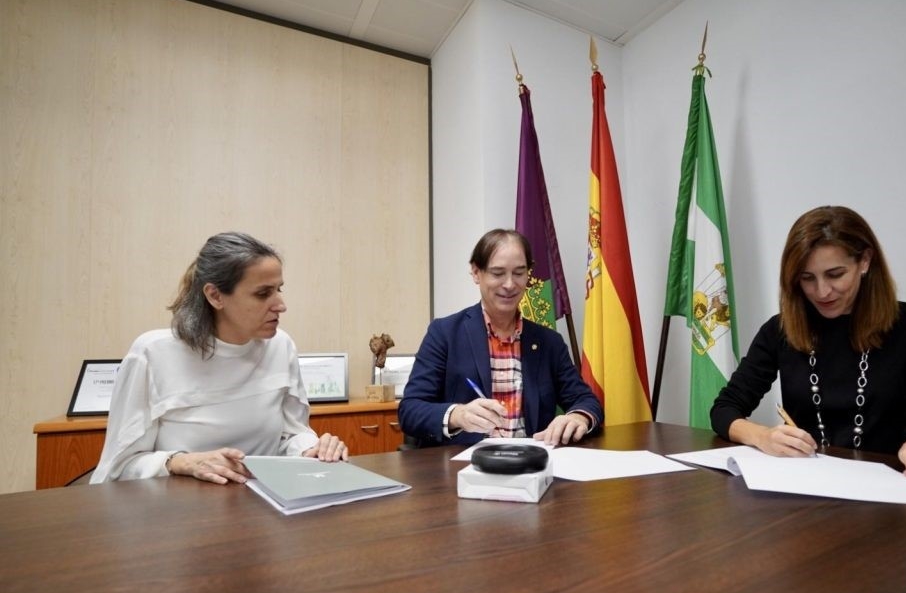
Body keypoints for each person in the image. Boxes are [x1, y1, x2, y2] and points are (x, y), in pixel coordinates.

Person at [710, 206, 906, 489]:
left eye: (835, 274)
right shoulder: (780, 330)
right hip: (811, 491)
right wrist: (761, 436)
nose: (822, 292)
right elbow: (725, 408)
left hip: (896, 488)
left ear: (865, 261)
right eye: (807, 278)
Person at [91, 232, 347, 484]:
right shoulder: (152, 354)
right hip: (181, 512)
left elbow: (290, 434)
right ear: (215, 296)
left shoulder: (280, 345)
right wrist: (183, 462)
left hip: (265, 503)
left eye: (278, 290)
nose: (280, 305)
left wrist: (312, 447)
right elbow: (118, 468)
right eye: (262, 294)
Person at [399, 229, 603, 447]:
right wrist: (458, 415)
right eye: (497, 273)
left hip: (531, 463)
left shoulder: (549, 342)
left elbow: (586, 401)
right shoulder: (444, 333)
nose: (509, 284)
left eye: (518, 273)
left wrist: (577, 417)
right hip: (465, 466)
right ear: (476, 273)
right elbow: (410, 410)